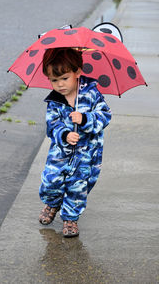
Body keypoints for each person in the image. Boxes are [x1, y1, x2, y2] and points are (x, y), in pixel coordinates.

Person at [39, 48, 112, 237]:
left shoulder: (91, 94)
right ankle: (53, 202)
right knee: (51, 181)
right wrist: (64, 135)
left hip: (86, 155)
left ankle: (70, 218)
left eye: (64, 78)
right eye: (54, 80)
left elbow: (105, 115)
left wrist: (86, 119)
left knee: (78, 187)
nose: (60, 85)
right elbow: (52, 124)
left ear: (77, 72)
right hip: (60, 154)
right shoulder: (54, 100)